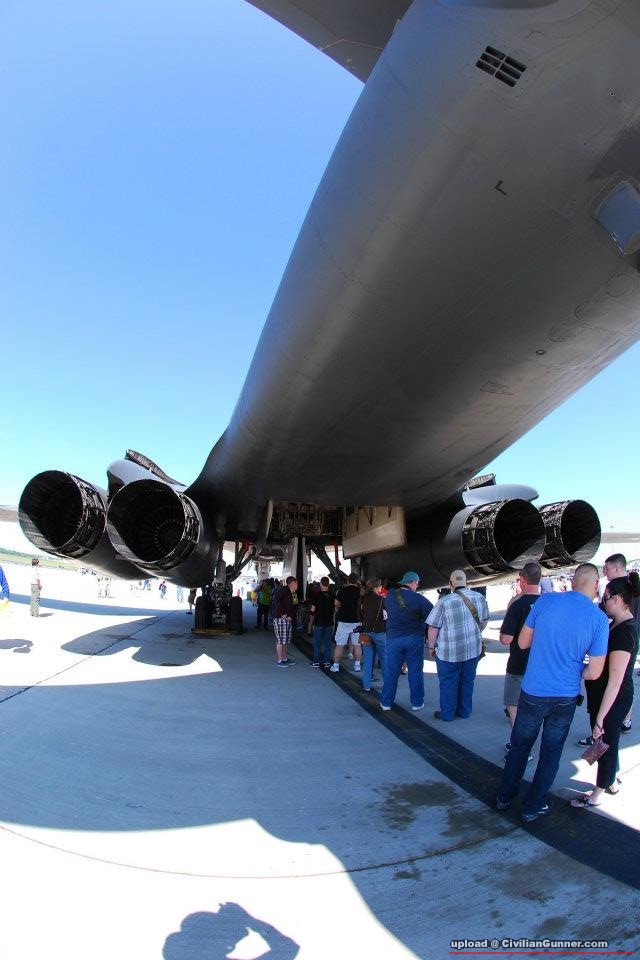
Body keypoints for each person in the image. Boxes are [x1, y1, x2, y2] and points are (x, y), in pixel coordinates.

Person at [496, 563, 608, 824]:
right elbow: (594, 672)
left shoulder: (545, 602)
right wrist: (574, 669)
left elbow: (522, 642)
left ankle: (504, 797)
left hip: (533, 691)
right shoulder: (599, 619)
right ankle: (532, 807)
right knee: (550, 753)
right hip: (565, 696)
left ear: (573, 581)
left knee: (520, 746)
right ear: (595, 585)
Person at [571, 574, 640, 808]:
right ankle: (610, 782)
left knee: (605, 744)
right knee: (608, 742)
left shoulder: (625, 632)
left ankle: (597, 794)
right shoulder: (616, 625)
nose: (603, 601)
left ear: (618, 599)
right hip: (604, 697)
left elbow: (616, 681)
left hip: (612, 699)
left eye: (606, 597)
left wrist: (600, 717)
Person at [427, 569, 489, 721]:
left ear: (450, 584)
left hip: (449, 652)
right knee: (467, 680)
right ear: (466, 583)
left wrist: (431, 647)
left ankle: (447, 714)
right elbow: (485, 620)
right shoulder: (479, 597)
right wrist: (475, 632)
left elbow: (433, 628)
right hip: (472, 649)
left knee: (448, 683)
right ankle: (464, 711)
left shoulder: (444, 602)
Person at [500, 562, 541, 758]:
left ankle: (521, 747)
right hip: (541, 666)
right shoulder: (547, 603)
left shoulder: (517, 605)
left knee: (514, 706)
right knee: (533, 707)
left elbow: (506, 638)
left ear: (523, 580)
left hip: (518, 665)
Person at [380, 571, 433, 711]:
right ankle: (417, 703)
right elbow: (433, 616)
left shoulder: (390, 596)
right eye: (417, 583)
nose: (417, 586)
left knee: (392, 671)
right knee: (415, 671)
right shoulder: (419, 599)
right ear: (412, 582)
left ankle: (386, 703)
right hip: (414, 638)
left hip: (393, 639)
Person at [358, 578, 387, 693]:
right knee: (384, 660)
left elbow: (358, 616)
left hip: (366, 632)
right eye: (380, 586)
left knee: (368, 660)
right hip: (380, 633)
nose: (381, 588)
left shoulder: (362, 599)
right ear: (375, 588)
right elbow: (386, 617)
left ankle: (366, 685)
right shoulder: (382, 600)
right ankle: (387, 686)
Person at [330, 573, 362, 673]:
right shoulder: (361, 591)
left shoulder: (342, 590)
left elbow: (336, 603)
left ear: (348, 580)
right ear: (357, 581)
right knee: (357, 644)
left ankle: (336, 666)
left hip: (343, 621)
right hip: (357, 622)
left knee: (340, 645)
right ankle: (357, 665)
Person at [309, 576, 335, 667]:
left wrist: (311, 615)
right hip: (329, 622)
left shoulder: (316, 595)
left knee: (317, 642)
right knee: (328, 643)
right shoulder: (332, 595)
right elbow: (336, 608)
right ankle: (327, 661)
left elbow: (312, 609)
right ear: (328, 584)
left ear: (320, 584)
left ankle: (316, 661)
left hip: (318, 621)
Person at [273, 576, 298, 667]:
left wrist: (291, 616)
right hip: (281, 619)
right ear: (292, 583)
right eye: (296, 583)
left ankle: (284, 658)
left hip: (288, 619)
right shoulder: (283, 590)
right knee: (280, 640)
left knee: (286, 640)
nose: (297, 585)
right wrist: (283, 613)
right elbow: (276, 600)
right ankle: (280, 660)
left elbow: (295, 605)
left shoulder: (293, 593)